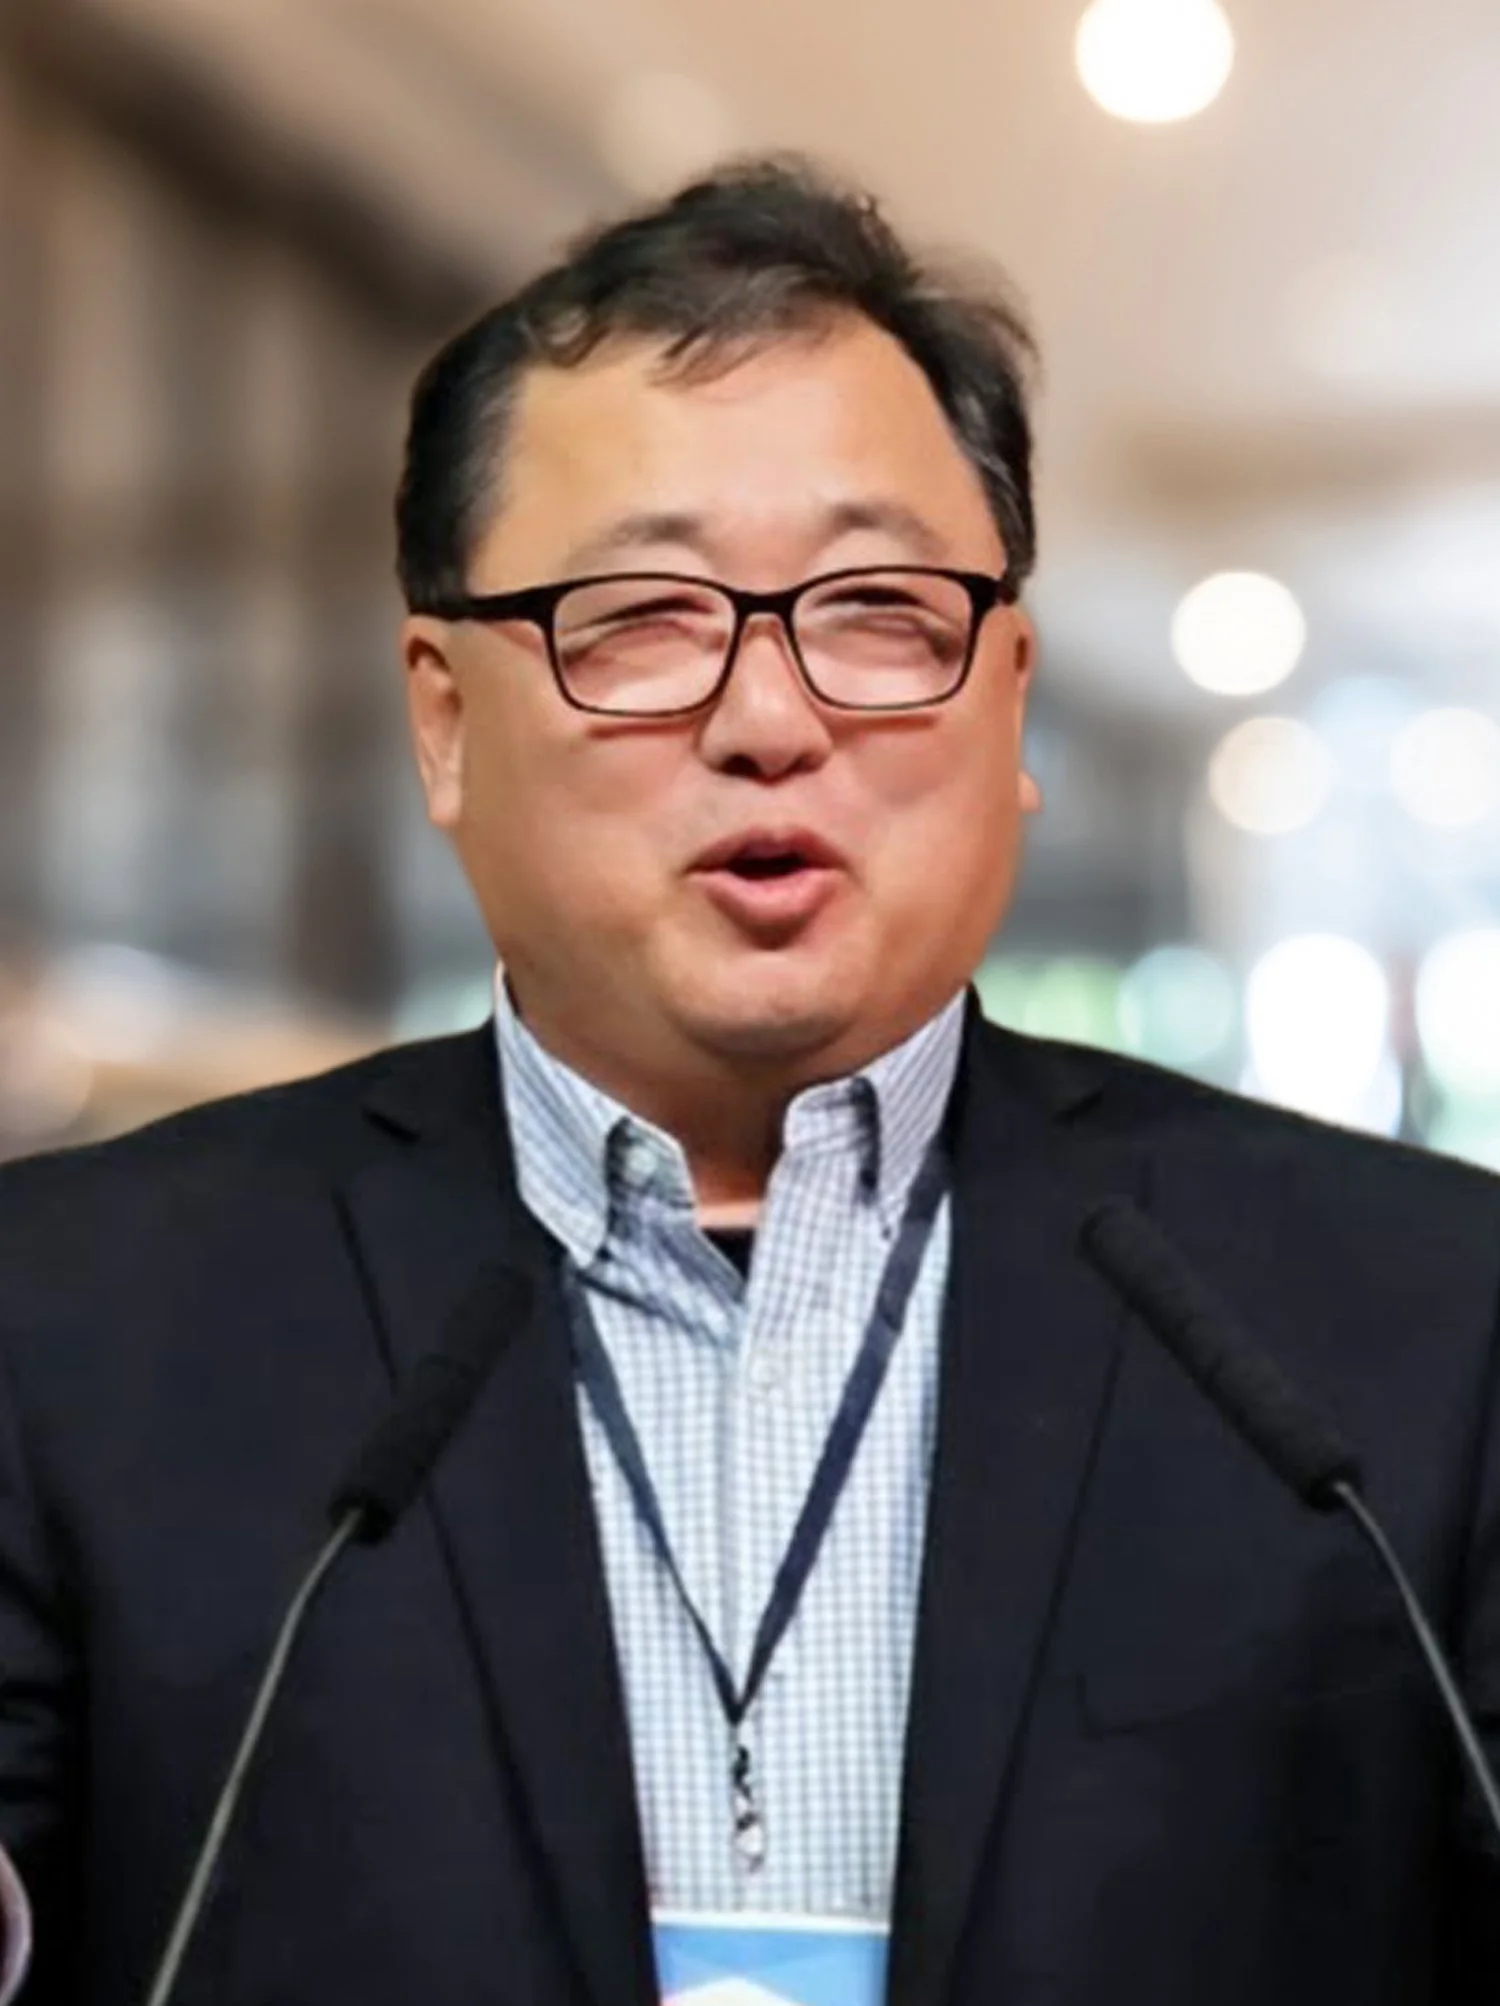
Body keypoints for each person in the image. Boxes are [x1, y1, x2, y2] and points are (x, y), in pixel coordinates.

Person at [0, 156, 1497, 2006]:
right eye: (642, 617)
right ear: (445, 720)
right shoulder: (67, 1322)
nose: (771, 719)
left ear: (1010, 696)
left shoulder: (1416, 1331)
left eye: (879, 609)